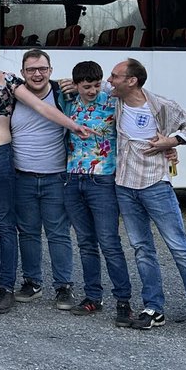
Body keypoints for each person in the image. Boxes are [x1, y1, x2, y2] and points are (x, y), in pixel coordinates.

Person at [0, 34, 89, 315]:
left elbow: (43, 105)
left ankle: (5, 287)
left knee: (7, 225)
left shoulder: (8, 81)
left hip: (0, 155)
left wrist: (73, 125)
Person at [106, 58, 186, 342]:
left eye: (115, 75)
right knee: (142, 248)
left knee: (180, 248)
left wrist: (173, 142)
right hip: (124, 185)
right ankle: (153, 308)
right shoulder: (113, 103)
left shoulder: (161, 106)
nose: (110, 80)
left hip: (156, 185)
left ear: (131, 80)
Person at [59, 60, 135, 324]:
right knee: (86, 243)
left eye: (95, 85)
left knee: (110, 243)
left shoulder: (112, 102)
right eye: (86, 86)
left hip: (102, 179)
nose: (91, 91)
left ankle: (123, 300)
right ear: (77, 84)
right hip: (72, 179)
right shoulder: (69, 103)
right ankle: (93, 296)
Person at [10, 49, 77, 310]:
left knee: (58, 233)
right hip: (22, 177)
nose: (37, 74)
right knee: (27, 233)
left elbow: (98, 89)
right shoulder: (13, 97)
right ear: (23, 73)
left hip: (56, 177)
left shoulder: (63, 94)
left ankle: (63, 286)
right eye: (31, 70)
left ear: (50, 70)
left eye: (42, 69)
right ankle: (32, 283)